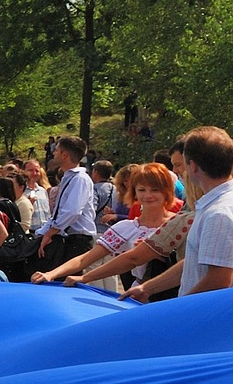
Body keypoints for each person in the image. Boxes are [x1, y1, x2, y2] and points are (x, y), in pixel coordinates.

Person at [36, 162, 179, 296]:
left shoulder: (181, 223)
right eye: (141, 189)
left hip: (177, 294)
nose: (148, 195)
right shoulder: (126, 228)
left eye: (155, 190)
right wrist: (51, 274)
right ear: (134, 192)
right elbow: (85, 259)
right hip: (138, 295)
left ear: (167, 191)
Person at [173, 126, 233, 298]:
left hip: (205, 319)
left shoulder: (219, 214)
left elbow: (218, 280)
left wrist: (180, 311)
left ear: (193, 166)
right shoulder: (218, 205)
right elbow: (198, 263)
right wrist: (148, 288)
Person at [36, 136, 96, 272]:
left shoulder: (80, 179)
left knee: (69, 280)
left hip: (77, 240)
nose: (53, 153)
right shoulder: (69, 178)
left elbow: (72, 211)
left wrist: (50, 233)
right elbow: (59, 211)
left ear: (65, 155)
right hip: (69, 238)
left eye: (56, 150)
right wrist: (43, 232)